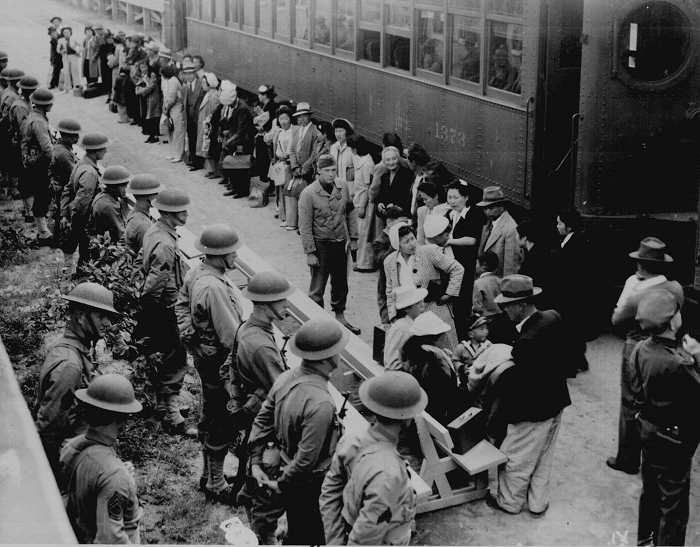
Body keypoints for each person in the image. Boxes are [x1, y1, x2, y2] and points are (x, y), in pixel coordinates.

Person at [247, 317, 349, 545]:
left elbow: (262, 420)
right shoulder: (321, 403)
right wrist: (282, 485)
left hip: (288, 469)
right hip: (310, 483)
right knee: (311, 535)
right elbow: (307, 460)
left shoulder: (286, 377)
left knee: (297, 527)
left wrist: (255, 462)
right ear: (327, 356)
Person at [487, 275, 571, 516]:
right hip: (557, 399)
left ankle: (509, 502)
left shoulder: (525, 343)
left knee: (516, 457)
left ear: (521, 304)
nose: (504, 310)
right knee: (544, 457)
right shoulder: (552, 317)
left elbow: (517, 387)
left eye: (506, 305)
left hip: (532, 409)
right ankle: (537, 503)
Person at [175, 224, 244, 504]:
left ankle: (208, 475)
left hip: (207, 358)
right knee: (222, 420)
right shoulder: (214, 287)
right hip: (220, 361)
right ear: (219, 254)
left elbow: (180, 306)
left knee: (210, 414)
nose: (236, 256)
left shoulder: (197, 272)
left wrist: (192, 340)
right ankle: (216, 485)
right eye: (232, 252)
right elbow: (232, 338)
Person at [320, 371, 428, 545]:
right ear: (407, 418)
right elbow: (365, 538)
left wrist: (335, 540)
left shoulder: (351, 440)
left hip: (346, 529)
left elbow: (329, 493)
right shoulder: (389, 473)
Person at [606, 237, 684, 475]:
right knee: (659, 402)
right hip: (668, 348)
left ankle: (628, 459)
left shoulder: (637, 293)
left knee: (630, 402)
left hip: (637, 347)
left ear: (640, 266)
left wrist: (630, 293)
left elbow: (616, 320)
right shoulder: (676, 288)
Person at [631, 290, 700, 547]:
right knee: (673, 506)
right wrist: (697, 357)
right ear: (672, 322)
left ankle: (644, 541)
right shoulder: (678, 364)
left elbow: (636, 392)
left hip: (648, 430)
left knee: (650, 492)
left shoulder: (640, 348)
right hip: (675, 439)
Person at [230, 271, 295, 544]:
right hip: (266, 423)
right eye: (281, 302)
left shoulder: (249, 328)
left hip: (254, 414)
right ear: (265, 305)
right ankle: (265, 536)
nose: (287, 306)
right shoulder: (260, 346)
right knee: (267, 489)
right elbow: (282, 391)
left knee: (255, 480)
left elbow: (230, 369)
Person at [35, 282, 117, 478]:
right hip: (71, 461)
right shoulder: (70, 365)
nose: (107, 323)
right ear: (80, 317)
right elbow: (50, 430)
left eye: (108, 317)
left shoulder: (70, 348)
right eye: (101, 317)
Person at [135, 188, 196, 437]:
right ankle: (173, 417)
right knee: (175, 357)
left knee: (162, 353)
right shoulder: (166, 243)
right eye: (181, 210)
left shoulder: (156, 231)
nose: (186, 214)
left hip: (158, 306)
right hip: (166, 307)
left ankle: (161, 406)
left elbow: (140, 260)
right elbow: (156, 279)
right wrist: (149, 308)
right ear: (169, 213)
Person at [60, 374, 143, 544]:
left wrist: (117, 472)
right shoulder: (113, 473)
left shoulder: (70, 447)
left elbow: (85, 484)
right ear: (121, 420)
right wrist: (118, 476)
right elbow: (111, 539)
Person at [299, 154, 361, 335]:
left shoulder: (342, 186)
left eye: (334, 170)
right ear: (318, 171)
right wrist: (310, 252)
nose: (331, 174)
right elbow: (304, 225)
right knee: (318, 285)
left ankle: (340, 318)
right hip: (321, 245)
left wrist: (354, 238)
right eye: (327, 170)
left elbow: (350, 211)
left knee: (341, 282)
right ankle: (317, 323)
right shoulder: (308, 193)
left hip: (340, 243)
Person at [384, 222, 464, 350]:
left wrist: (449, 294)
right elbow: (390, 291)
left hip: (435, 311)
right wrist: (393, 316)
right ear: (397, 245)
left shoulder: (429, 251)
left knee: (445, 351)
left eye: (412, 238)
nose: (412, 244)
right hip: (409, 317)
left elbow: (457, 269)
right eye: (406, 242)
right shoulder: (389, 262)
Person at [401, 311, 465, 425]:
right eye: (444, 333)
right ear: (435, 338)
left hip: (422, 412)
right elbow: (449, 397)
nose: (446, 336)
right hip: (439, 418)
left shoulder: (413, 353)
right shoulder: (434, 366)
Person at [60, 132, 111, 272]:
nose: (106, 151)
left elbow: (67, 190)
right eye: (103, 148)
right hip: (85, 219)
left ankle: (77, 274)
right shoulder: (90, 172)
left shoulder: (81, 164)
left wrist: (65, 214)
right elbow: (82, 202)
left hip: (78, 217)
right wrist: (75, 223)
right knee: (88, 252)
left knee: (83, 252)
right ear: (96, 151)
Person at [445, 180, 485, 338]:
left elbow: (472, 240)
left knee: (463, 304)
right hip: (452, 265)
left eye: (456, 197)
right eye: (449, 197)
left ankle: (462, 337)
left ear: (466, 197)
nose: (452, 201)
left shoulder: (474, 214)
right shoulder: (450, 214)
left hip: (467, 266)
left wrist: (449, 241)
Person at [21, 88, 56, 245]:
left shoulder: (35, 117)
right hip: (40, 163)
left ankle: (43, 231)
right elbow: (48, 149)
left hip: (34, 161)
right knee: (42, 197)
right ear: (46, 105)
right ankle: (43, 234)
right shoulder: (39, 122)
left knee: (41, 196)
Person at [374, 206, 410, 325]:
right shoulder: (380, 241)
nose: (405, 226)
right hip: (386, 287)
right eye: (402, 223)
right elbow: (381, 260)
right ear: (388, 222)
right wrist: (394, 244)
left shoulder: (405, 237)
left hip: (402, 284)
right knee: (387, 319)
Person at [10, 76, 38, 223]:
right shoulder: (20, 106)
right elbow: (24, 131)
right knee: (26, 180)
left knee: (28, 179)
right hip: (22, 146)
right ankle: (29, 211)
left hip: (24, 145)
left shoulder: (25, 102)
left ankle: (29, 210)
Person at [476, 186, 522, 277]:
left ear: (501, 207)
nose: (487, 211)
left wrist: (506, 288)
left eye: (491, 208)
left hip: (498, 283)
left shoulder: (510, 229)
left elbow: (511, 266)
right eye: (485, 208)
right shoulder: (489, 222)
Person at [49, 119, 81, 247]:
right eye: (74, 135)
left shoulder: (60, 147)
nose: (77, 138)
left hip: (59, 185)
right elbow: (74, 173)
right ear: (66, 136)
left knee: (59, 213)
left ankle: (57, 240)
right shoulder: (63, 153)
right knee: (64, 213)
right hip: (64, 186)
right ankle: (63, 240)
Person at [347, 134, 376, 272]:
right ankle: (360, 262)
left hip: (364, 203)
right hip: (358, 200)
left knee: (364, 234)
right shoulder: (362, 160)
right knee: (360, 233)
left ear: (356, 149)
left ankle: (365, 264)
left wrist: (363, 207)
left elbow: (368, 187)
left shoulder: (368, 164)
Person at [515, 219, 558, 311]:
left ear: (524, 238)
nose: (515, 238)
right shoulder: (544, 253)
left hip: (539, 306)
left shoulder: (532, 260)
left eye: (517, 235)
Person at [384, 285, 427, 371]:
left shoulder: (412, 324)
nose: (423, 305)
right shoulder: (401, 328)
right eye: (418, 303)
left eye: (423, 301)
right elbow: (392, 365)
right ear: (407, 309)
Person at [270, 106, 298, 224]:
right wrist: (279, 154)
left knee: (290, 191)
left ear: (290, 119)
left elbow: (294, 148)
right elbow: (275, 147)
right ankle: (284, 216)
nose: (283, 121)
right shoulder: (279, 133)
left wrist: (286, 155)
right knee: (281, 190)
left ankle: (291, 219)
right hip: (281, 163)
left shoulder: (294, 131)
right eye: (281, 119)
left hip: (290, 164)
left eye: (285, 118)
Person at [91, 165, 132, 244]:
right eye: (124, 185)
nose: (126, 188)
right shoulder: (109, 206)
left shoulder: (104, 196)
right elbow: (121, 235)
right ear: (114, 187)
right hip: (108, 246)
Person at [124, 174, 163, 254]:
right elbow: (149, 255)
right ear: (143, 197)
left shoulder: (136, 212)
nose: (158, 196)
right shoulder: (143, 225)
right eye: (155, 193)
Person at [373, 146, 414, 220]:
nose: (391, 162)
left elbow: (408, 199)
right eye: (388, 160)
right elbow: (380, 196)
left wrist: (395, 206)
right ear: (384, 161)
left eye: (394, 158)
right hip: (388, 218)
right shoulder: (384, 176)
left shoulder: (407, 175)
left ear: (398, 158)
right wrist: (379, 204)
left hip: (400, 218)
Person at [452, 314, 493, 385]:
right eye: (481, 329)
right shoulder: (461, 347)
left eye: (486, 328)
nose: (486, 331)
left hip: (484, 380)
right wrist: (462, 368)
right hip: (467, 381)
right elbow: (455, 361)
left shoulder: (489, 346)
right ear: (471, 334)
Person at [182, 61, 205, 169]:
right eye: (187, 74)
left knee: (198, 139)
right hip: (189, 117)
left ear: (195, 73)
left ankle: (199, 162)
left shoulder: (201, 84)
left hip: (198, 117)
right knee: (191, 138)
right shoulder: (185, 86)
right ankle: (193, 160)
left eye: (191, 73)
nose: (189, 76)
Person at [289, 102, 319, 184]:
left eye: (305, 116)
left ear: (310, 116)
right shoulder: (297, 131)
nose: (302, 119)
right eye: (299, 116)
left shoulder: (315, 131)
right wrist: (295, 167)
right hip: (298, 171)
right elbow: (292, 150)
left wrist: (304, 168)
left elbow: (315, 152)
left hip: (310, 171)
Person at [198, 73, 221, 179]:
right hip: (206, 125)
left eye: (204, 83)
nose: (202, 85)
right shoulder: (209, 94)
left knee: (209, 147)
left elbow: (214, 112)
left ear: (210, 84)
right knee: (206, 146)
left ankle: (213, 170)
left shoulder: (214, 95)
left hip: (209, 126)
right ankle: (210, 169)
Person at [161, 64, 185, 163]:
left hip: (176, 110)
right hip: (171, 110)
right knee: (171, 132)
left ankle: (179, 154)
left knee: (178, 132)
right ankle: (173, 153)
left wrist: (166, 110)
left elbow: (171, 98)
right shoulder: (172, 81)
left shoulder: (173, 82)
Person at [254, 84, 277, 182]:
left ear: (265, 95)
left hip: (267, 135)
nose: (258, 96)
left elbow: (270, 121)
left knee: (265, 159)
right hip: (265, 134)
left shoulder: (271, 106)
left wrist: (261, 126)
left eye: (260, 94)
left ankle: (266, 181)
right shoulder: (267, 105)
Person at [134, 60, 162, 143]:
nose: (143, 69)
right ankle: (150, 135)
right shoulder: (142, 76)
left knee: (153, 117)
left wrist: (143, 90)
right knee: (147, 117)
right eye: (141, 67)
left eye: (145, 67)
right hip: (145, 99)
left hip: (152, 98)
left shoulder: (152, 75)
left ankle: (155, 135)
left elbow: (152, 86)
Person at [416, 181, 451, 245]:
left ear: (436, 196)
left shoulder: (449, 211)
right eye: (423, 199)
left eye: (425, 199)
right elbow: (420, 236)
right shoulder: (422, 211)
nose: (424, 202)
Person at [329, 118, 355, 187]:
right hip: (336, 187)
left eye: (340, 131)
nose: (338, 134)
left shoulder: (352, 148)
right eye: (336, 131)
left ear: (347, 132)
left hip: (350, 187)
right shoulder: (333, 148)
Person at [56, 27, 81, 93]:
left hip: (73, 56)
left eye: (67, 32)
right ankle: (67, 88)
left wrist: (77, 51)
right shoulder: (60, 40)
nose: (66, 33)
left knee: (74, 71)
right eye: (64, 32)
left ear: (70, 32)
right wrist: (61, 51)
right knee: (66, 72)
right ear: (62, 33)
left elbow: (80, 46)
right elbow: (58, 49)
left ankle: (76, 87)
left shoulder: (74, 39)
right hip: (65, 57)